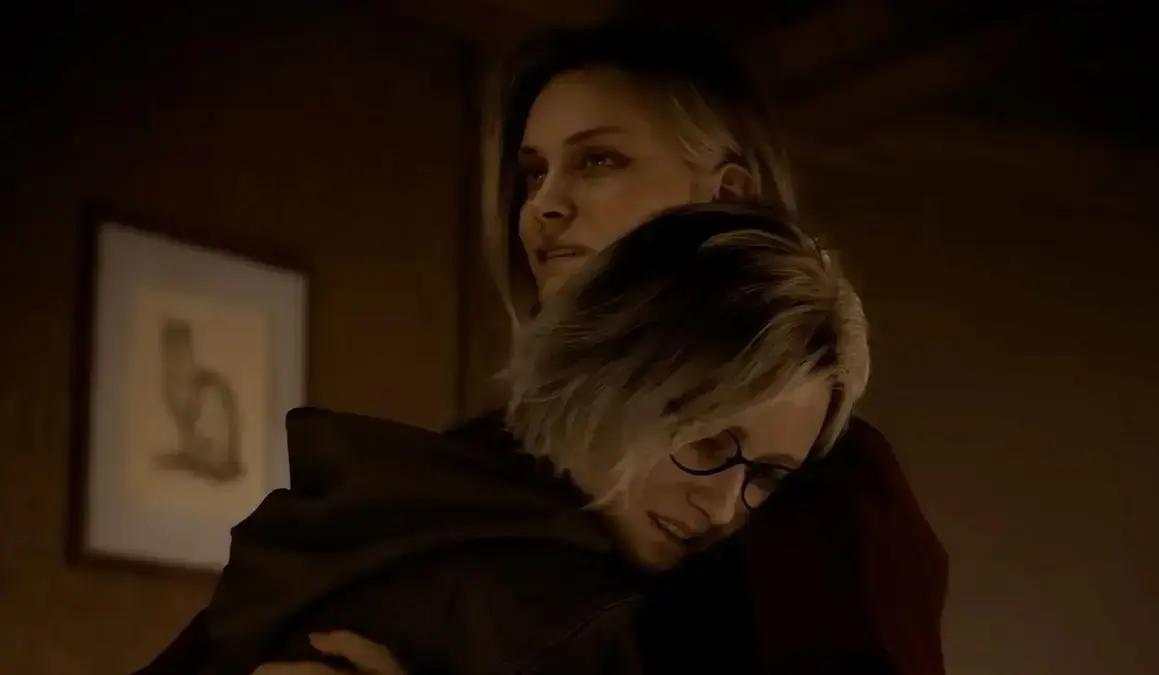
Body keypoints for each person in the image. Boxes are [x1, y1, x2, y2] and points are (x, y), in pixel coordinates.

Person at [144, 22, 947, 675]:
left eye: (599, 161)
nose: (543, 207)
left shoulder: (826, 484)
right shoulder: (470, 459)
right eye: (532, 174)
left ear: (724, 199)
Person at [138, 203, 869, 675]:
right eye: (708, 445)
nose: (722, 507)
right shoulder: (575, 622)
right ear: (613, 371)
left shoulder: (383, 495)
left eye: (766, 475)